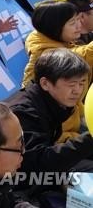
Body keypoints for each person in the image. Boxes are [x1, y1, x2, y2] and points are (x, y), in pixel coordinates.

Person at [8, 49, 93, 189]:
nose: (78, 90)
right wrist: (89, 139)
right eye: (71, 84)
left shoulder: (52, 102)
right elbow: (37, 164)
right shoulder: (23, 113)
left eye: (82, 83)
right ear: (45, 83)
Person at [22, 0, 93, 143]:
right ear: (55, 27)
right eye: (72, 23)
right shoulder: (50, 56)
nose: (79, 26)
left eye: (78, 20)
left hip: (76, 117)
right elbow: (81, 54)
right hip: (62, 135)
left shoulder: (59, 42)